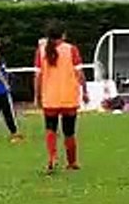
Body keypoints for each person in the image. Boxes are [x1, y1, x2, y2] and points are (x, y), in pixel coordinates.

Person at [34, 24, 89, 172]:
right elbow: (80, 73)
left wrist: (37, 95)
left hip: (50, 98)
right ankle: (72, 162)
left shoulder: (41, 51)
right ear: (63, 35)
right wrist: (84, 91)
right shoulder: (71, 49)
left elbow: (38, 76)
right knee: (69, 131)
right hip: (69, 97)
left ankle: (52, 158)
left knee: (50, 128)